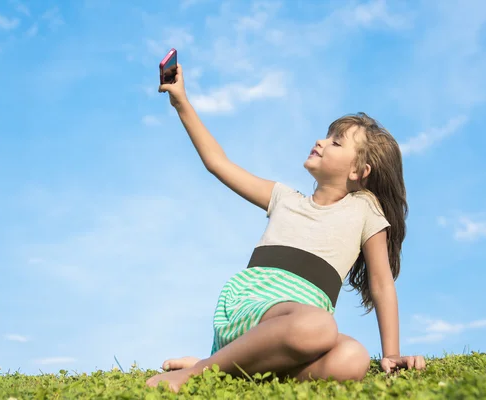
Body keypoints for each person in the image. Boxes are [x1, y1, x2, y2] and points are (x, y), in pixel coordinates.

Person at [146, 64, 426, 392]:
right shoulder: (283, 198)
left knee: (353, 358)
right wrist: (182, 102)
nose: (321, 142)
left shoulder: (366, 209)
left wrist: (390, 353)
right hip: (252, 306)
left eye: (336, 143)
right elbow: (217, 163)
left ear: (357, 171)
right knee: (320, 325)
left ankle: (222, 369)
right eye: (326, 136)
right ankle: (200, 373)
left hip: (301, 330)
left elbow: (381, 284)